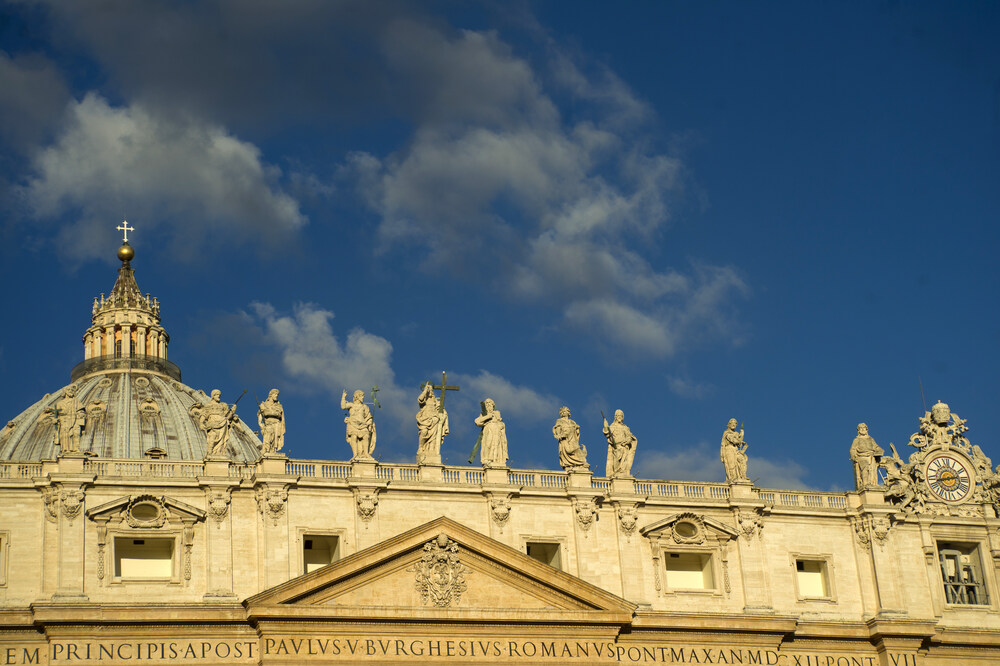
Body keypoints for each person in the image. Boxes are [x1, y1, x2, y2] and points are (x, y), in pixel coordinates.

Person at [416, 383, 448, 465]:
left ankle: (432, 451)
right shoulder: (424, 400)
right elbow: (420, 399)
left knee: (433, 438)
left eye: (431, 389)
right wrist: (425, 390)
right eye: (429, 389)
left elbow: (442, 411)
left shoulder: (435, 401)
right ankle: (421, 447)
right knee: (424, 432)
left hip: (434, 420)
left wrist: (442, 412)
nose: (431, 391)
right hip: (425, 419)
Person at [201, 390, 237, 458]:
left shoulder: (223, 405)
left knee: (221, 441)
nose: (219, 396)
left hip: (222, 423)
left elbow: (227, 417)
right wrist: (201, 423)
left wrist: (232, 411)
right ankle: (210, 452)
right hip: (212, 423)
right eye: (217, 395)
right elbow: (204, 414)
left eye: (219, 395)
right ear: (213, 396)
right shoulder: (208, 405)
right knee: (212, 437)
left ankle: (218, 453)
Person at [342, 389, 376, 460]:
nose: (363, 398)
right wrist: (343, 397)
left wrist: (370, 422)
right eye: (362, 396)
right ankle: (355, 455)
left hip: (363, 425)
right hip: (353, 424)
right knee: (354, 437)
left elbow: (368, 416)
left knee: (366, 436)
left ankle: (366, 454)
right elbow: (343, 406)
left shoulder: (365, 407)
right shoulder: (351, 405)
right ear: (357, 396)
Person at [849, 423, 884, 489]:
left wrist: (880, 450)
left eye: (864, 428)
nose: (862, 429)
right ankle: (865, 484)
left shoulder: (871, 439)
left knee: (872, 471)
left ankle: (872, 484)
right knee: (865, 468)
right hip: (862, 457)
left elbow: (876, 447)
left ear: (866, 429)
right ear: (858, 430)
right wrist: (853, 455)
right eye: (860, 428)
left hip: (871, 456)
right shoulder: (856, 440)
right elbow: (852, 449)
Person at [603, 409, 636, 478]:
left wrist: (627, 441)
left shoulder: (625, 428)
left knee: (624, 464)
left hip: (624, 447)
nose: (620, 417)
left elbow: (629, 437)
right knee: (616, 461)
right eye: (618, 416)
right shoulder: (612, 427)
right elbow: (607, 433)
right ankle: (617, 473)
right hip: (616, 447)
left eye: (621, 416)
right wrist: (606, 426)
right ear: (615, 417)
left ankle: (622, 474)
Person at [52, 388, 87, 453]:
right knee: (65, 435)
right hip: (64, 421)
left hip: (75, 421)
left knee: (76, 434)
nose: (71, 391)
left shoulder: (76, 402)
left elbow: (80, 411)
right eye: (69, 390)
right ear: (65, 392)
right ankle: (65, 449)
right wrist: (55, 420)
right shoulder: (60, 403)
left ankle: (75, 448)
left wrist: (81, 414)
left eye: (72, 390)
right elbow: (56, 414)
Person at [475, 399, 508, 468]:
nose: (489, 406)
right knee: (488, 444)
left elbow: (501, 423)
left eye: (490, 404)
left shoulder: (497, 413)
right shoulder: (484, 414)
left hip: (496, 430)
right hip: (488, 429)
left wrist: (500, 426)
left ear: (493, 406)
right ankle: (487, 460)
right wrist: (487, 416)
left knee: (496, 445)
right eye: (487, 405)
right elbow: (477, 422)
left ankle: (496, 460)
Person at [553, 406, 587, 472]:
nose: (564, 412)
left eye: (565, 411)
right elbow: (557, 429)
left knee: (576, 449)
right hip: (565, 439)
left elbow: (576, 430)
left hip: (573, 438)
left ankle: (581, 463)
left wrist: (577, 428)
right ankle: (570, 464)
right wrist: (560, 435)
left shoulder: (572, 422)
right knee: (568, 451)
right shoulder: (559, 421)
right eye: (562, 411)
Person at [257, 389, 286, 455]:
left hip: (276, 424)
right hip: (268, 424)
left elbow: (281, 416)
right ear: (271, 395)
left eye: (277, 395)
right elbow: (260, 415)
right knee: (268, 438)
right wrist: (260, 423)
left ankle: (272, 452)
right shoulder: (264, 404)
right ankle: (267, 451)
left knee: (274, 440)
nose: (276, 396)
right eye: (275, 394)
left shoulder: (279, 406)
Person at [720, 418, 749, 482]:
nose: (733, 424)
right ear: (729, 424)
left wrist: (742, 434)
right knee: (731, 464)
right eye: (732, 423)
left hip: (735, 450)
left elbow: (739, 443)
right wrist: (739, 440)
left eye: (735, 423)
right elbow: (734, 440)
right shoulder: (726, 433)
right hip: (729, 449)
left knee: (742, 459)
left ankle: (742, 476)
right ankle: (732, 478)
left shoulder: (736, 433)